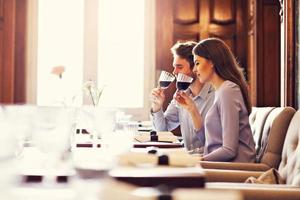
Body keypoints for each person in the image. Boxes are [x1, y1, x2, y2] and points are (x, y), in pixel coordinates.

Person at [175, 38, 256, 162]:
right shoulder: (220, 91)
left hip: (234, 169)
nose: (194, 70)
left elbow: (229, 150)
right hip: (219, 165)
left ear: (212, 62)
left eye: (197, 63)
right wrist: (192, 109)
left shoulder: (228, 91)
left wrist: (197, 161)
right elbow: (208, 143)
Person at [150, 41, 215, 152]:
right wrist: (157, 107)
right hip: (188, 158)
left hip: (207, 161)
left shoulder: (215, 96)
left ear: (195, 66)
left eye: (179, 67)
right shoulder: (181, 94)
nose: (174, 72)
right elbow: (163, 130)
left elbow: (214, 144)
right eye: (174, 67)